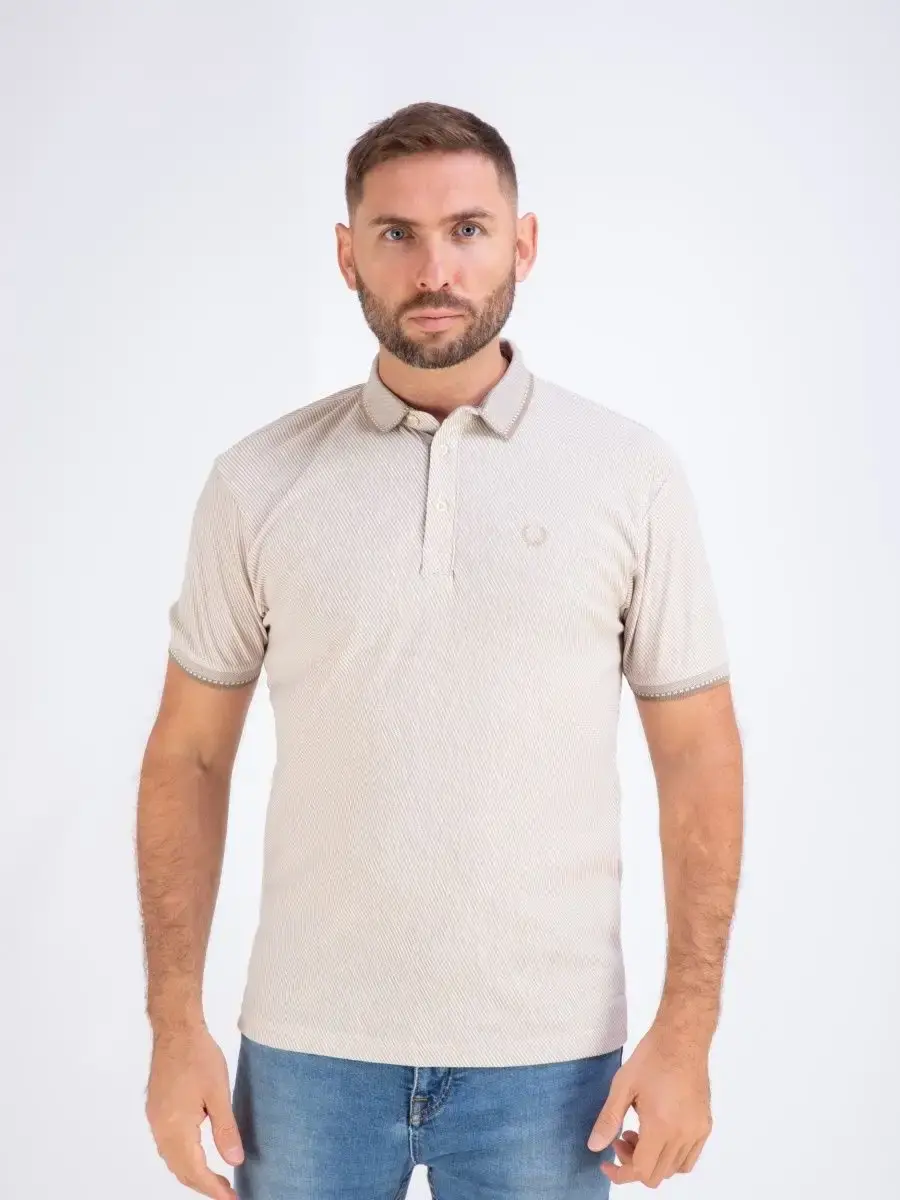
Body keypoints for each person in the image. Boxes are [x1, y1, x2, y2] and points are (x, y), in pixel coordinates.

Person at [137, 100, 744, 1199]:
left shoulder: (629, 477)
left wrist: (688, 1029)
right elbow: (190, 754)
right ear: (347, 255)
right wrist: (174, 1027)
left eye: (468, 230)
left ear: (524, 243)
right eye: (397, 234)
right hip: (308, 1050)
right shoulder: (258, 482)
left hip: (553, 1065)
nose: (434, 271)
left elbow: (699, 756)